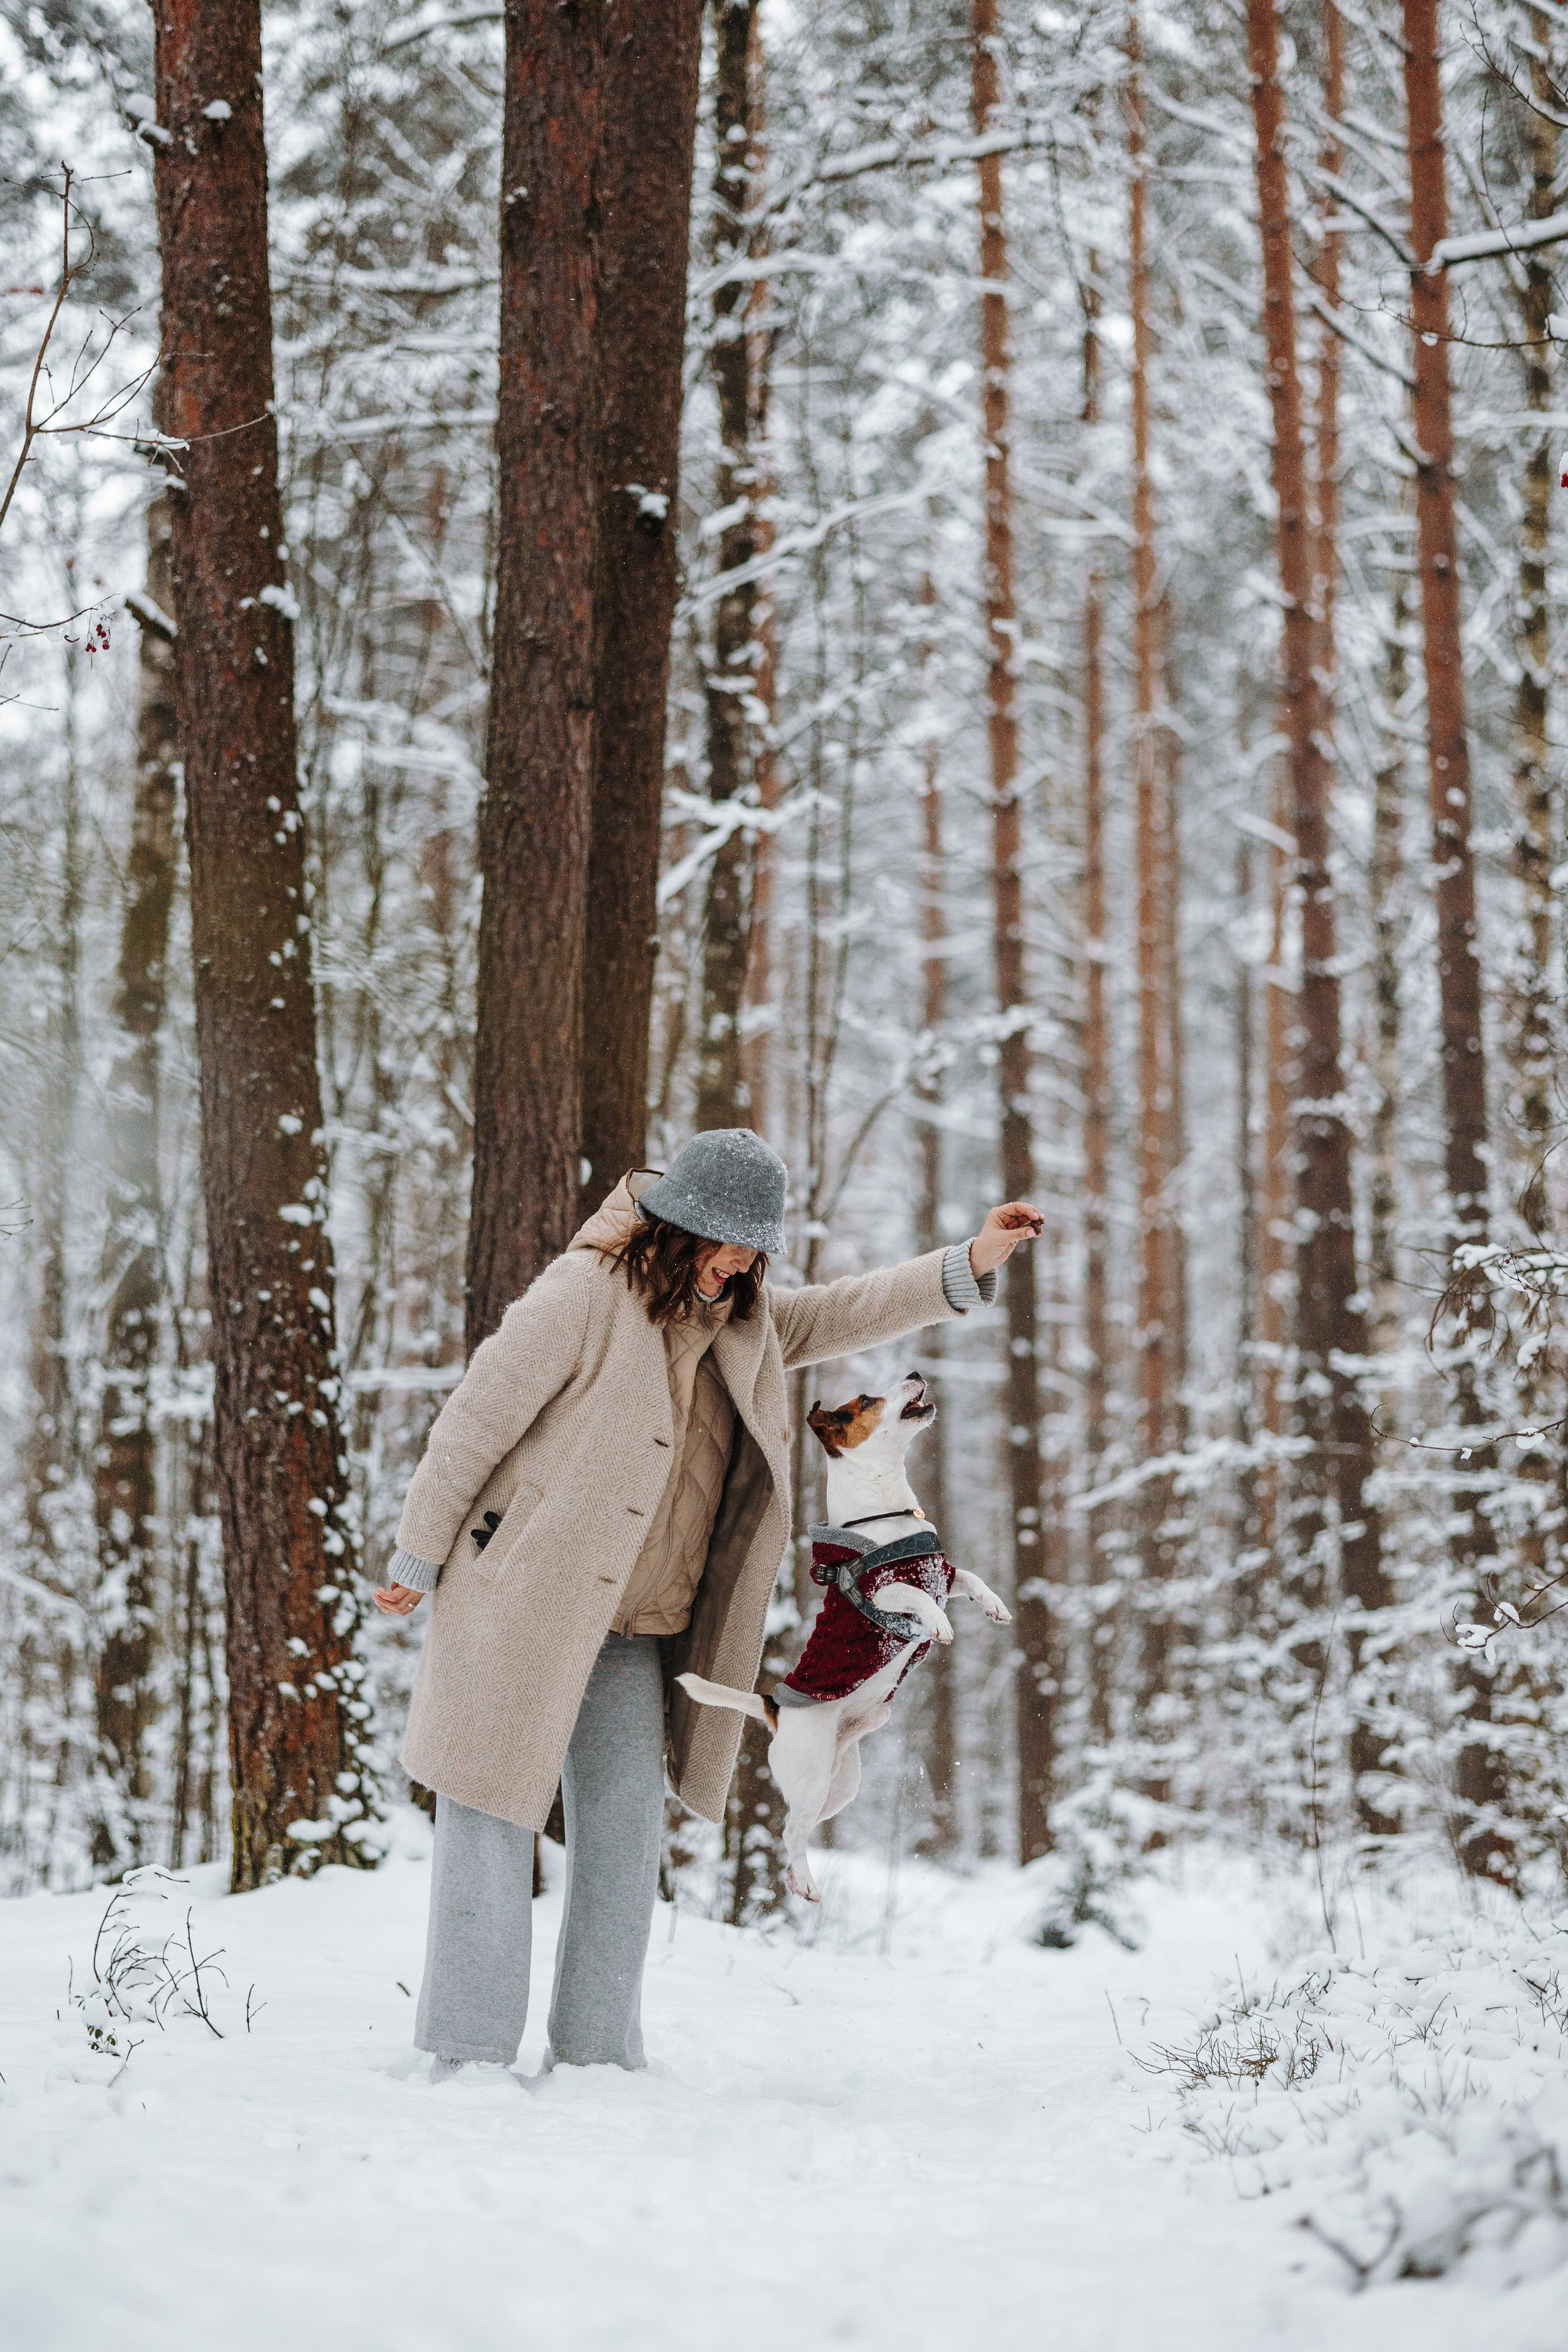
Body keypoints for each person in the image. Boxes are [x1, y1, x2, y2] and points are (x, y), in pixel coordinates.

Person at [372, 1129, 1041, 2077]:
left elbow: (849, 1310)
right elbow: (475, 1421)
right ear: (674, 1227)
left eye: (753, 1247)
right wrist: (419, 1550)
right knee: (488, 1813)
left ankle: (598, 2058)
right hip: (521, 1597)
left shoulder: (748, 1323)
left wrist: (971, 1262)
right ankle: (467, 2054)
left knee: (624, 1834)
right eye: (724, 1241)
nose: (739, 1262)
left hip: (640, 1624)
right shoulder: (581, 1295)